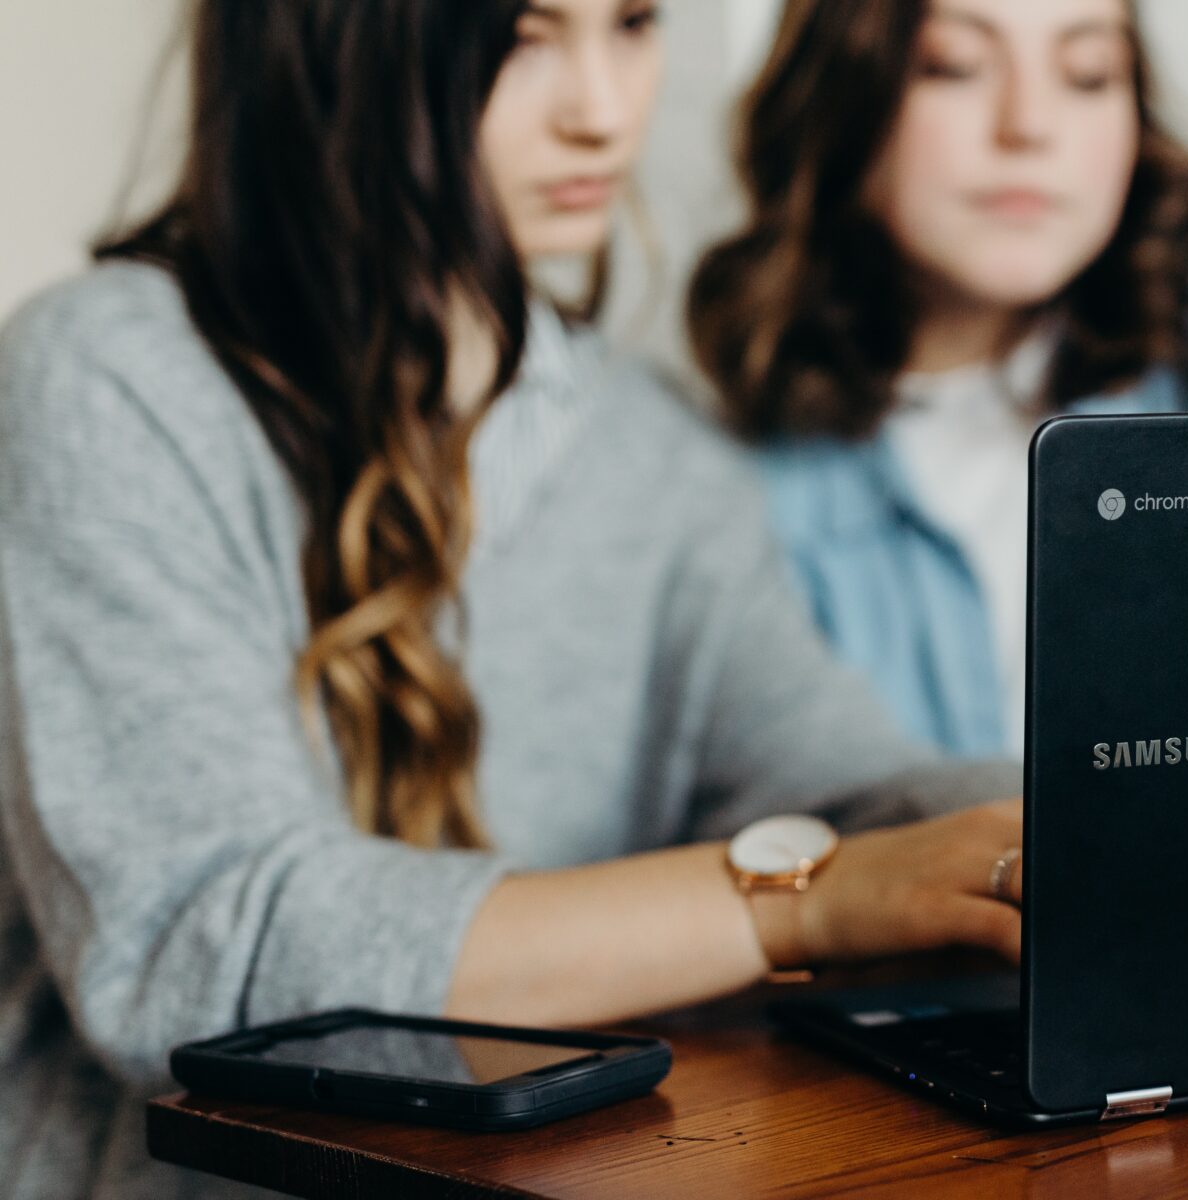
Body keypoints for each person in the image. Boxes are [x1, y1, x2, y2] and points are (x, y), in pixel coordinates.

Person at [0, 3, 1026, 1196]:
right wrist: (798, 903)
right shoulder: (106, 381)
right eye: (524, 38)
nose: (600, 108)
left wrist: (1087, 820)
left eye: (633, 23)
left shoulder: (654, 449)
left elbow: (848, 787)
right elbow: (199, 947)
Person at [688, 0, 1188, 758]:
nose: (1029, 126)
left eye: (1087, 75)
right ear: (834, 92)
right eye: (954, 66)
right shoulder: (728, 478)